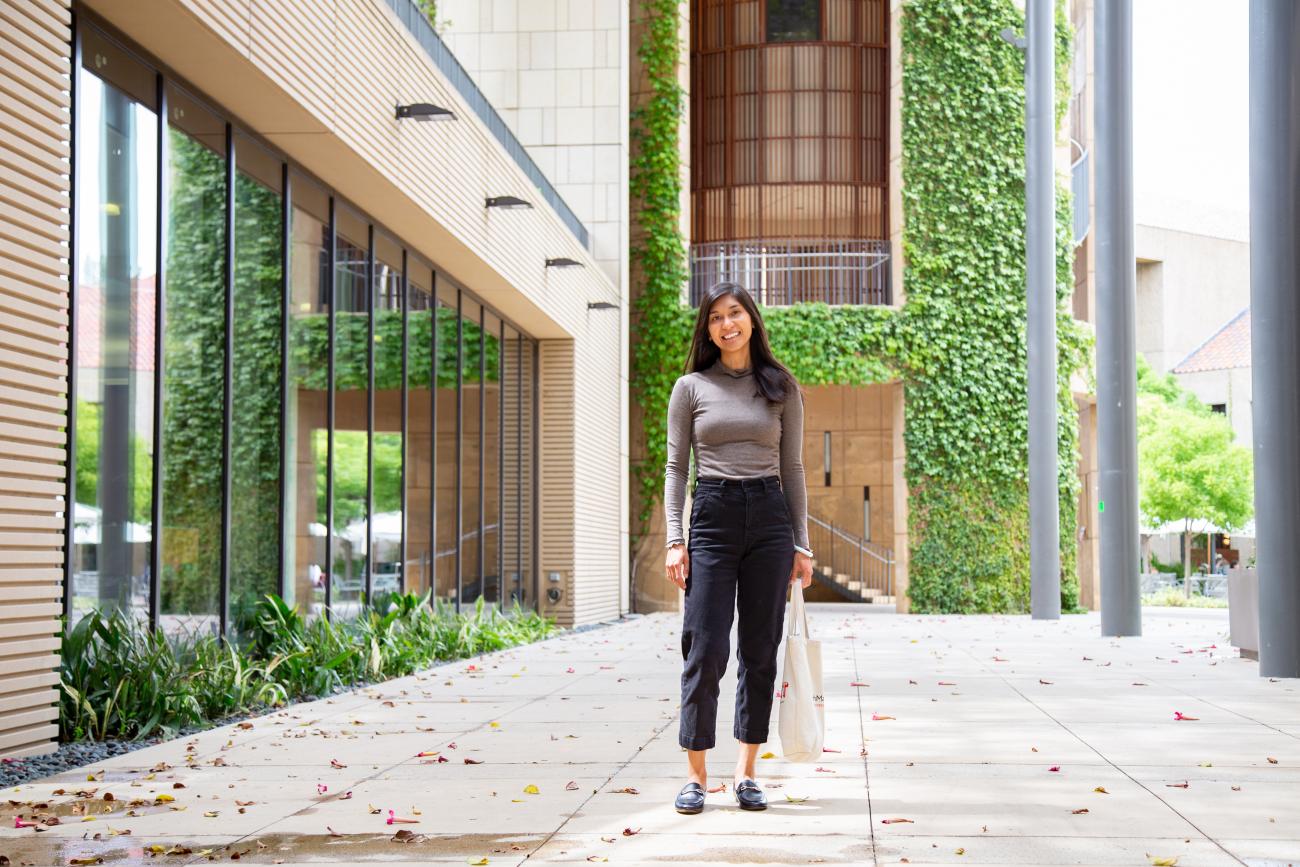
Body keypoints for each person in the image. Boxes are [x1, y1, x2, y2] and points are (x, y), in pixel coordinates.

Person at [663, 282, 814, 815]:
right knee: (704, 649)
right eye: (716, 318)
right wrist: (674, 539)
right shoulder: (691, 387)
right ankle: (696, 776)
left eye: (736, 314)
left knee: (759, 649)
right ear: (707, 330)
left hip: (771, 520)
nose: (727, 325)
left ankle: (747, 771)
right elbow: (677, 469)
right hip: (712, 517)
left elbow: (793, 469)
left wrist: (803, 543)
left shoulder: (781, 386)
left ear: (751, 319)